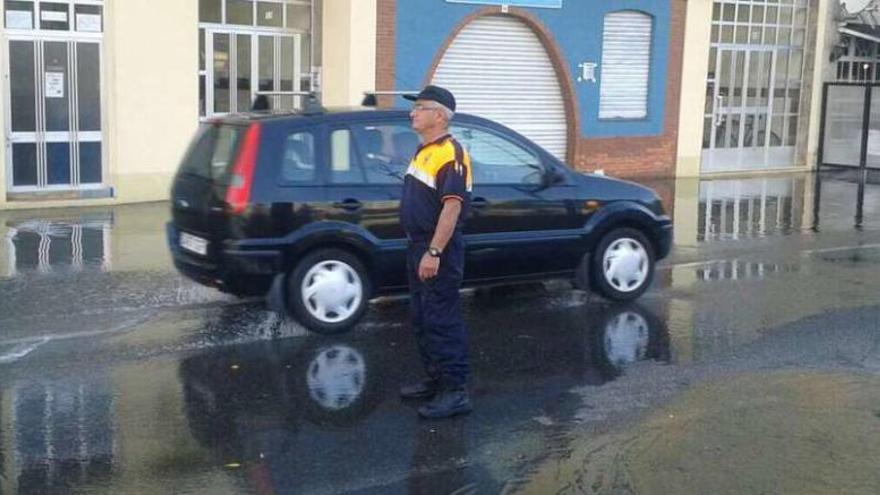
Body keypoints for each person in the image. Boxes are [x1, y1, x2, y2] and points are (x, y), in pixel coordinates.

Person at [398, 85, 473, 419]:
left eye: (420, 107)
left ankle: (455, 392)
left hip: (436, 250)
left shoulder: (451, 154)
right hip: (418, 247)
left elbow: (451, 209)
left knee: (442, 320)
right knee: (422, 318)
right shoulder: (424, 150)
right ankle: (435, 380)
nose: (413, 112)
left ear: (439, 116)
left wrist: (434, 252)